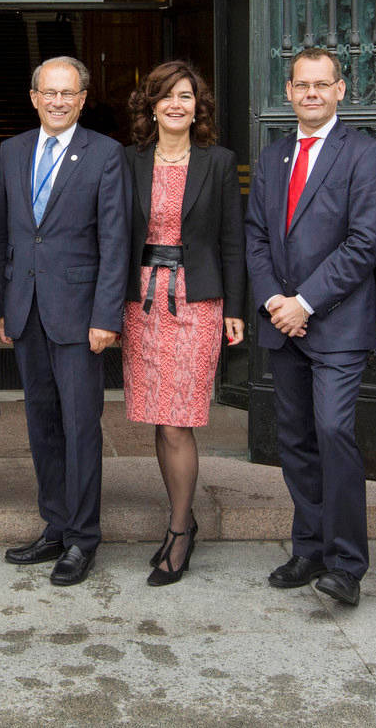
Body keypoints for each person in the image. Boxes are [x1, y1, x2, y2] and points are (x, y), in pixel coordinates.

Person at [244, 46, 376, 607]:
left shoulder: (366, 154)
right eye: (301, 85)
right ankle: (308, 547)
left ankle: (347, 564)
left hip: (335, 324)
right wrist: (274, 302)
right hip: (282, 324)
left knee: (333, 432)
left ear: (340, 90)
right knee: (296, 439)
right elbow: (257, 235)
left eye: (321, 84)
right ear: (288, 92)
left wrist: (304, 303)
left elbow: (365, 243)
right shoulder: (273, 156)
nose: (311, 93)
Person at [0, 56, 131, 587]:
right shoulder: (12, 150)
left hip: (80, 315)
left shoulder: (105, 153)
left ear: (82, 99)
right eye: (48, 93)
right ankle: (54, 525)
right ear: (34, 97)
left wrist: (106, 316)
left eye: (67, 93)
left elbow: (115, 241)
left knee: (80, 427)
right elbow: (5, 234)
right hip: (26, 309)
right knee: (42, 424)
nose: (57, 101)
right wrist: (6, 304)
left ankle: (82, 538)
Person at [121, 62, 245, 587]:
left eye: (186, 97)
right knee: (158, 415)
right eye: (167, 96)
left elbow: (232, 238)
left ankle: (178, 532)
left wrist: (235, 307)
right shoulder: (129, 161)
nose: (176, 104)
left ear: (198, 108)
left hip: (196, 303)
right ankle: (183, 517)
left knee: (178, 419)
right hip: (142, 304)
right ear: (151, 106)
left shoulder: (219, 162)